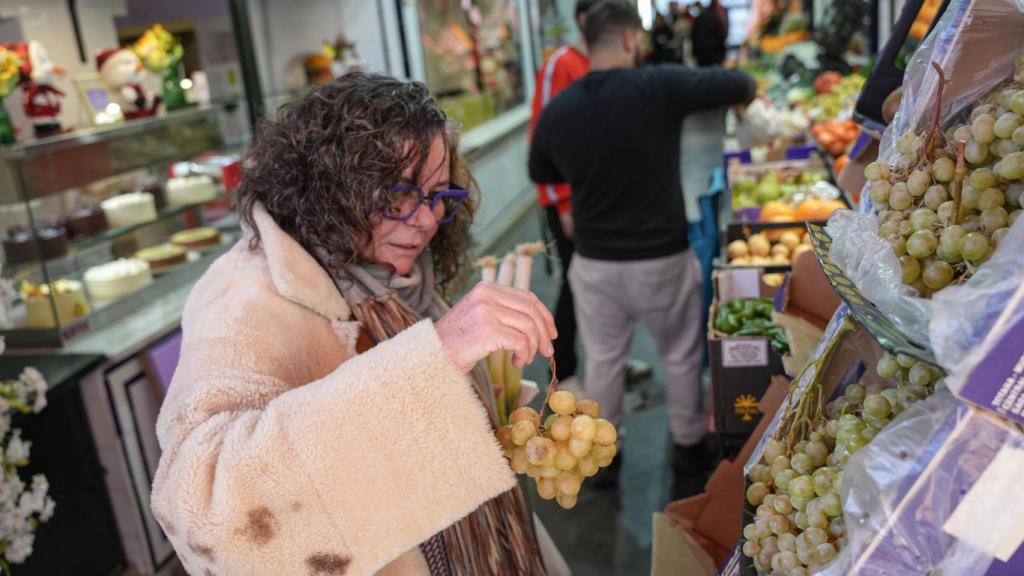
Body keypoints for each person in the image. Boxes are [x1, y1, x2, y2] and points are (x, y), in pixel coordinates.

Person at [151, 73, 560, 576]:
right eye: (396, 198)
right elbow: (205, 513)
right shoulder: (242, 297)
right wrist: (437, 357)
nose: (427, 220)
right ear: (329, 186)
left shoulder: (394, 274)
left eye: (438, 196)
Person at [529, 1, 755, 498]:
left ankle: (604, 459)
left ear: (586, 42)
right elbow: (739, 84)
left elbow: (541, 171)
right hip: (661, 258)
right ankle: (689, 449)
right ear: (632, 40)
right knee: (679, 354)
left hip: (595, 263)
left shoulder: (562, 109)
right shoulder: (660, 86)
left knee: (603, 361)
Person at [529, 0, 593, 388]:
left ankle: (605, 362)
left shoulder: (602, 66)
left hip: (599, 198)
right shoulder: (562, 64)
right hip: (569, 202)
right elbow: (543, 140)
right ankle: (562, 372)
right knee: (573, 285)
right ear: (586, 20)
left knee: (599, 285)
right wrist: (564, 203)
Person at [692, 0, 728, 67]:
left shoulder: (700, 16)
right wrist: (722, 54)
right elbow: (721, 36)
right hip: (714, 55)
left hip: (701, 54)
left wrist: (695, 52)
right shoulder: (716, 18)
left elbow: (694, 35)